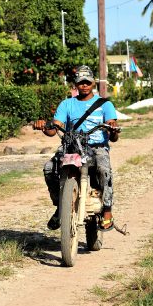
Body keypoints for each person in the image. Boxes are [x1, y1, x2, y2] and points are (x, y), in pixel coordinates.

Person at [33, 65, 120, 231]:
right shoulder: (67, 104)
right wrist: (45, 125)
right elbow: (54, 128)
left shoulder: (105, 104)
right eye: (81, 82)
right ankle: (61, 205)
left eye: (87, 82)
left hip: (97, 147)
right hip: (72, 146)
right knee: (49, 168)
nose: (84, 85)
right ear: (76, 84)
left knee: (104, 168)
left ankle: (107, 209)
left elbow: (113, 131)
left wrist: (113, 128)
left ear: (93, 83)